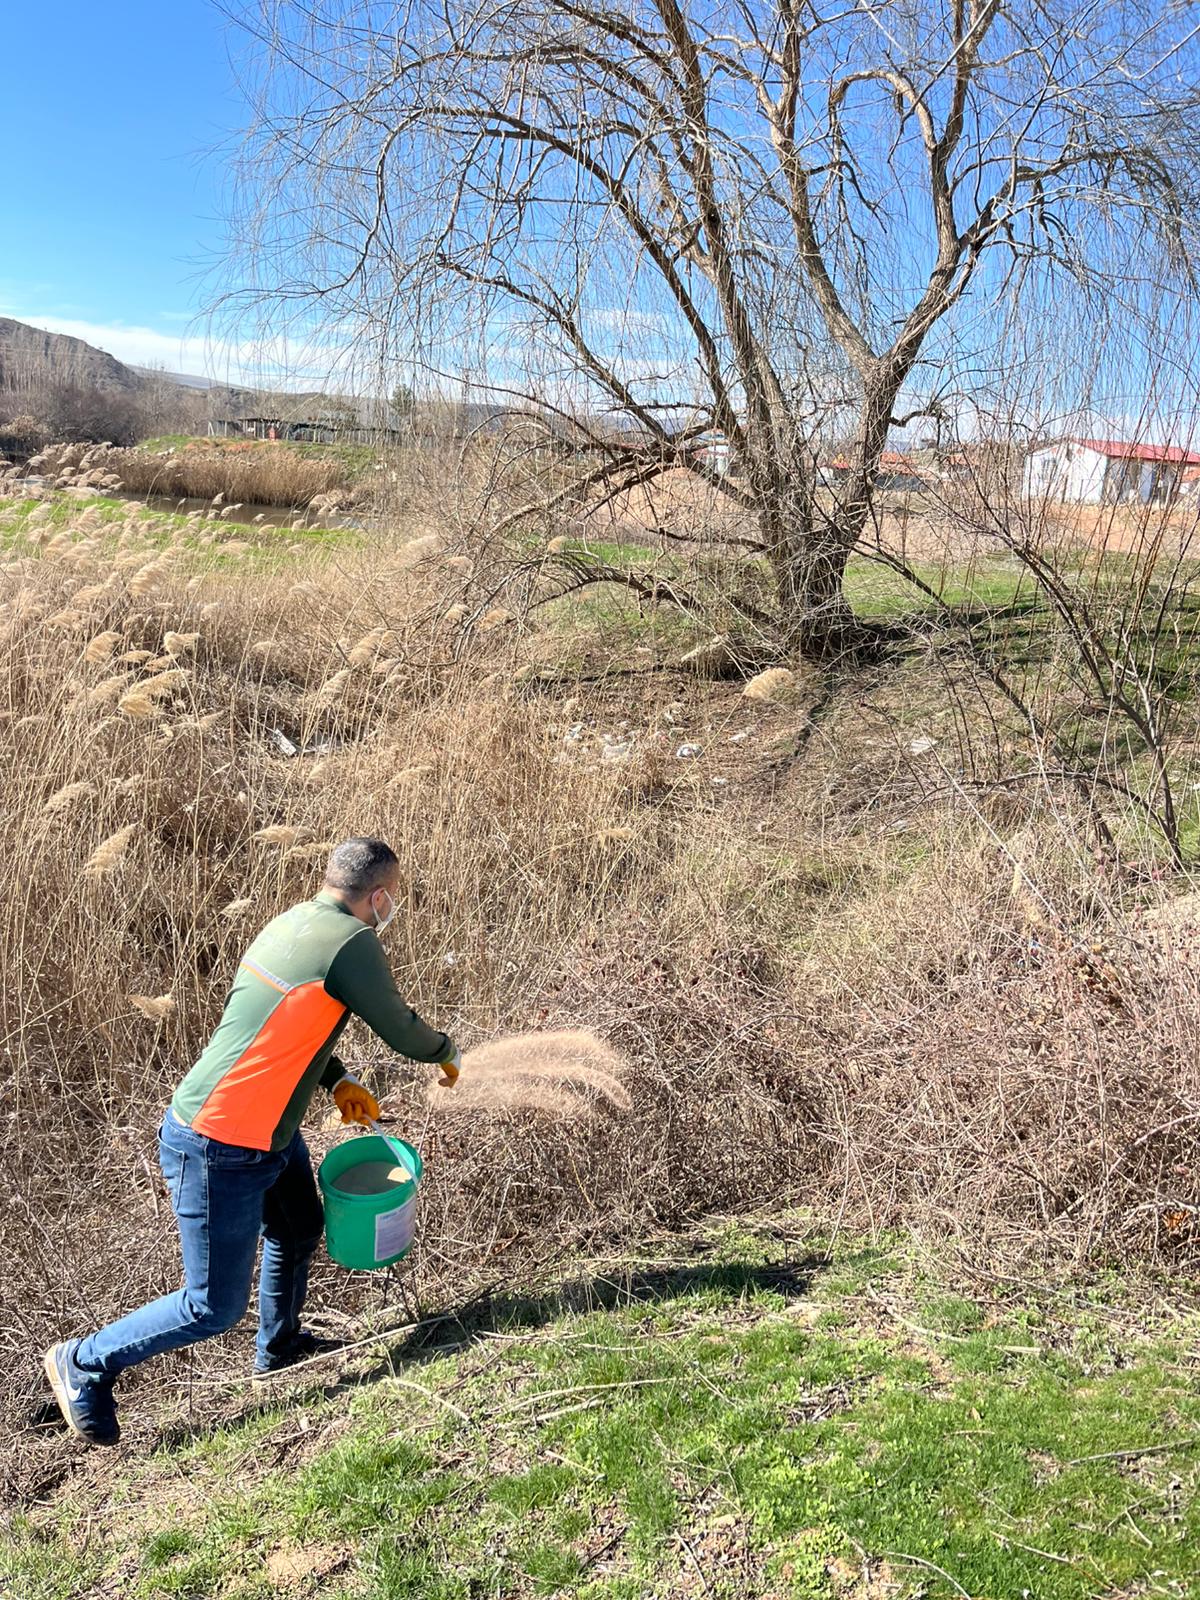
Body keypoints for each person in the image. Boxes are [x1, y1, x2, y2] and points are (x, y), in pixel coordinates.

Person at [44, 837, 460, 1447]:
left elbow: (280, 1027)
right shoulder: (353, 941)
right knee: (210, 1305)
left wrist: (338, 1078)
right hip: (220, 1140)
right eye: (390, 899)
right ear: (379, 896)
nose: (389, 909)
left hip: (264, 1133)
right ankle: (82, 1361)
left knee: (296, 1227)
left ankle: (281, 1348)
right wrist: (445, 1052)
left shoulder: (293, 923)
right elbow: (399, 1025)